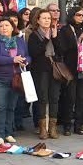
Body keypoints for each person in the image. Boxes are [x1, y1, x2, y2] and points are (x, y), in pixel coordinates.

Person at [0, 18, 28, 145]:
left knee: (11, 106)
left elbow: (28, 55)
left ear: (12, 28)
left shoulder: (20, 41)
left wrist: (26, 61)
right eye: (1, 26)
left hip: (16, 78)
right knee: (0, 106)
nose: (4, 28)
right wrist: (12, 60)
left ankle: (8, 132)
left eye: (7, 25)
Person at [27, 8, 62, 139]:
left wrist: (55, 38)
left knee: (54, 98)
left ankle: (53, 128)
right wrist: (46, 39)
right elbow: (34, 52)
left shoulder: (55, 32)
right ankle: (42, 128)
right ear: (38, 20)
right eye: (44, 18)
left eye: (49, 18)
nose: (47, 21)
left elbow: (61, 51)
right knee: (42, 98)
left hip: (55, 70)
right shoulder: (34, 35)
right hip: (40, 70)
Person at [58, 7, 83, 135]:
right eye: (78, 15)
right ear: (72, 15)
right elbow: (62, 49)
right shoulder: (65, 30)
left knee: (81, 98)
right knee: (70, 98)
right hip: (70, 68)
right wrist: (77, 42)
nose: (81, 17)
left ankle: (78, 125)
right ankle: (67, 125)